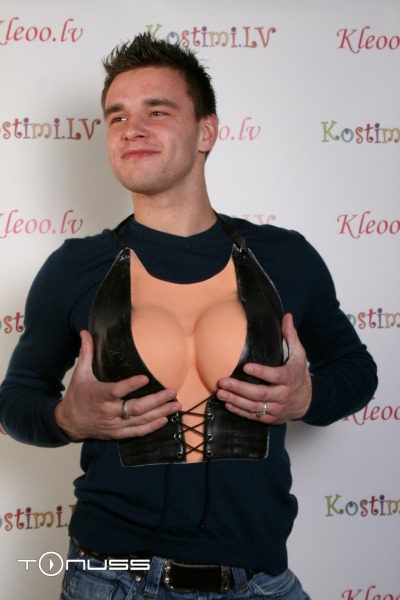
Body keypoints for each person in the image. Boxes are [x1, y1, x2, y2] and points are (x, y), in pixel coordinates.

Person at [0, 33, 377, 599]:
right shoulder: (74, 268)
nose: (132, 128)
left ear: (207, 131)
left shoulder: (285, 257)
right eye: (117, 116)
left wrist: (309, 398)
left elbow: (356, 370)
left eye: (157, 111)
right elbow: (15, 399)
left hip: (257, 579)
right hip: (112, 575)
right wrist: (66, 419)